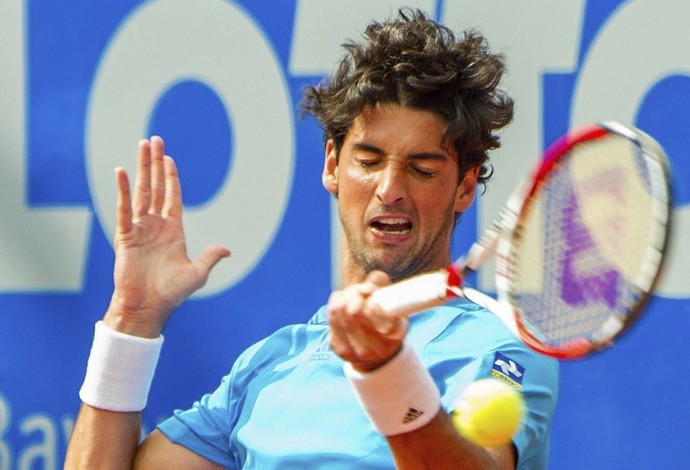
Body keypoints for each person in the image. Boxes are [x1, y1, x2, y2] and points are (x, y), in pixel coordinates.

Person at [65, 9, 558, 470]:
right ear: (331, 166)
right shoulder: (269, 365)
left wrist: (387, 373)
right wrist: (131, 320)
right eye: (368, 161)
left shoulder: (497, 347)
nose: (390, 190)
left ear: (465, 188)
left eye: (422, 169)